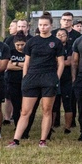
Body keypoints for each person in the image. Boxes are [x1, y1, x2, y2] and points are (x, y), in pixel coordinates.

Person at [8, 13, 64, 148]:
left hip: (49, 78)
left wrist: (56, 78)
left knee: (46, 110)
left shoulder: (56, 42)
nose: (42, 27)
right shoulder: (32, 42)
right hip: (32, 78)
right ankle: (16, 140)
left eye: (45, 25)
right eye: (40, 25)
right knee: (25, 111)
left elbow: (61, 63)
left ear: (51, 26)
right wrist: (25, 78)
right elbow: (26, 63)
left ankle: (43, 140)